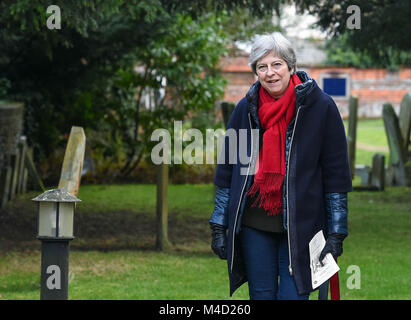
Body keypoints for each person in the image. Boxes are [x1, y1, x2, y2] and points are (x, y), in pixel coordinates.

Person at [209, 32, 352, 300]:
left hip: (302, 227)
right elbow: (228, 172)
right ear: (255, 72)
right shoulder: (245, 109)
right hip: (254, 225)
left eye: (276, 64)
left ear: (290, 66)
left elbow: (336, 176)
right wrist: (218, 224)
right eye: (262, 67)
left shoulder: (321, 107)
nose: (270, 73)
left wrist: (337, 232)